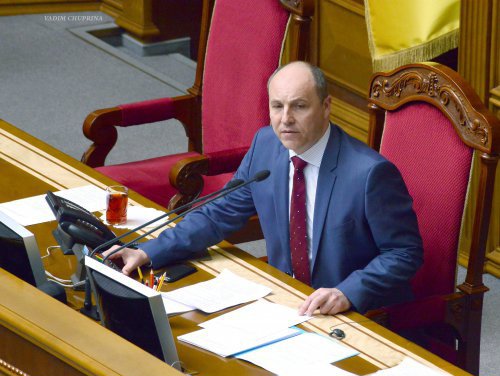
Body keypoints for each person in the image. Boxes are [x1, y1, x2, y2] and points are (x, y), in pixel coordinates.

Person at [104, 61, 423, 316]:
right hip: (285, 300)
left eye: (299, 106)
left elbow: (404, 253)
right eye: (277, 106)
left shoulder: (369, 174)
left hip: (353, 314)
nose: (286, 119)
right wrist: (149, 251)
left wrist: (347, 292)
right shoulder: (266, 145)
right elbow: (219, 213)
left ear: (326, 106)